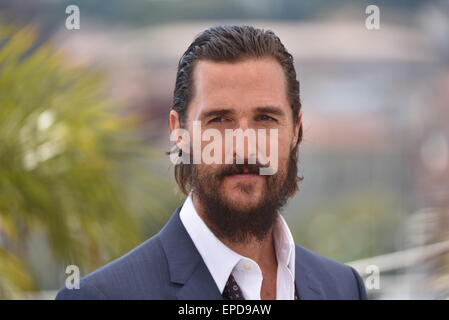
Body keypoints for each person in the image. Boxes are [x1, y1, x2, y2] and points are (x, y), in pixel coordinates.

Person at [56, 25, 367, 300]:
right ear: (179, 132)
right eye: (219, 119)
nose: (244, 145)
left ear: (296, 130)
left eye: (265, 118)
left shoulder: (343, 287)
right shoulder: (102, 297)